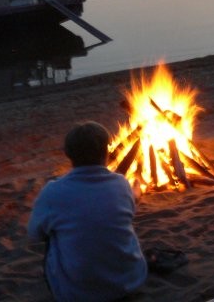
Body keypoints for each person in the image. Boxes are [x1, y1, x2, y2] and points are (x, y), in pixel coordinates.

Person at [28, 121, 148, 301]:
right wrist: (136, 190)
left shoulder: (53, 192)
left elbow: (34, 234)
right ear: (107, 151)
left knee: (52, 234)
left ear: (67, 154)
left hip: (78, 294)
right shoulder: (121, 184)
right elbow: (130, 207)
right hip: (130, 282)